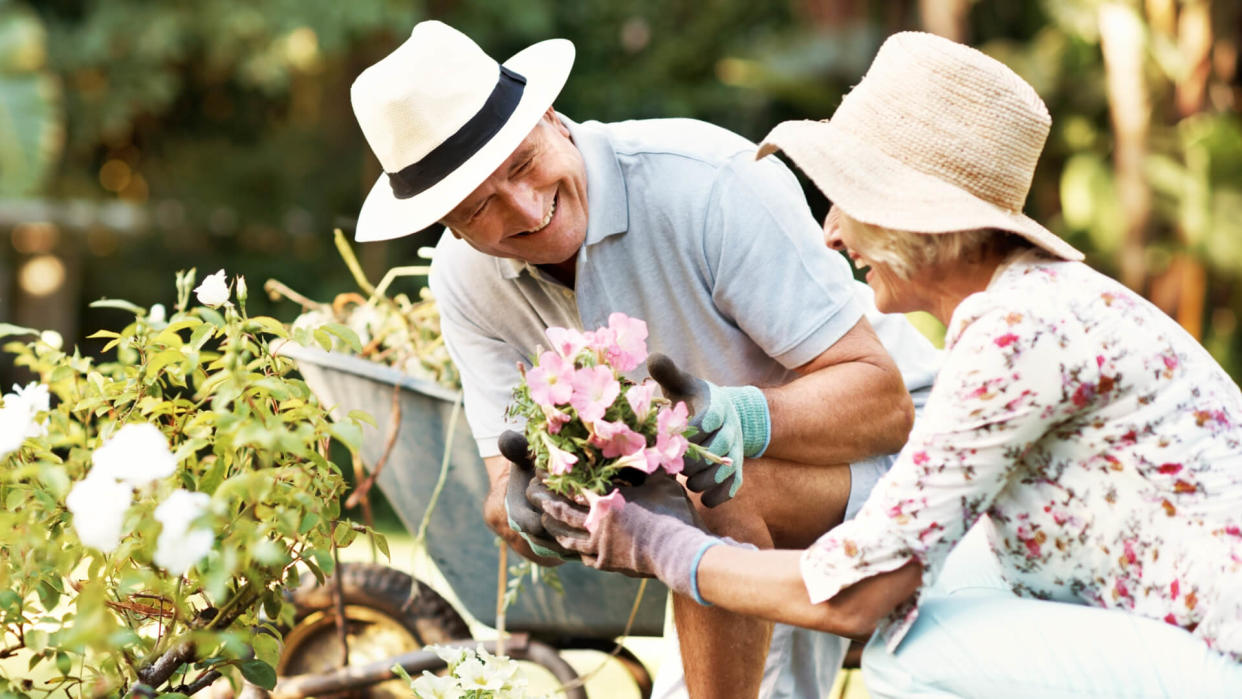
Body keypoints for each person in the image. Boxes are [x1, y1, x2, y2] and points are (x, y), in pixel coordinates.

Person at [536, 31, 1242, 697]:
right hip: (1184, 644)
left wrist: (657, 544)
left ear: (915, 213)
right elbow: (890, 550)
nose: (831, 229)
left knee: (914, 649)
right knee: (950, 586)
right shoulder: (1022, 312)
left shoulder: (1018, 335)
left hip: (1217, 660)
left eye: (850, 195)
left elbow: (858, 594)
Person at [347, 20, 942, 698]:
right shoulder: (464, 280)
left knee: (708, 470)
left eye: (520, 163)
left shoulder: (707, 183)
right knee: (701, 477)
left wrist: (741, 416)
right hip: (722, 510)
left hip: (911, 465)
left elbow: (885, 404)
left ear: (550, 117)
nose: (523, 207)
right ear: (448, 224)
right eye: (480, 206)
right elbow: (499, 489)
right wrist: (528, 507)